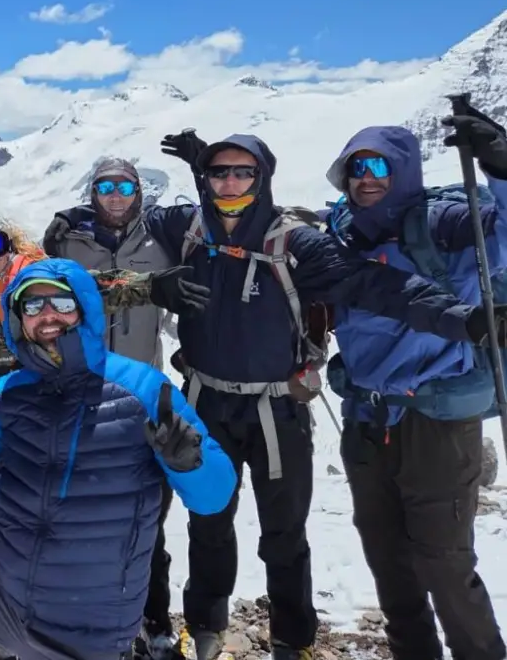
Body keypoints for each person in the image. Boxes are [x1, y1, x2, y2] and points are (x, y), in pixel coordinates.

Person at [154, 130, 504, 660]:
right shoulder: (186, 227)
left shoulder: (297, 243)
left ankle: (291, 640)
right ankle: (205, 627)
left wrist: (463, 320)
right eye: (219, 172)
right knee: (208, 523)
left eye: (244, 172)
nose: (230, 182)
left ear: (263, 178)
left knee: (285, 534)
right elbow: (115, 224)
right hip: (207, 401)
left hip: (278, 407)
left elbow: (376, 287)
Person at [0, 258, 238, 660]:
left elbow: (214, 497)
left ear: (84, 309)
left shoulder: (141, 388)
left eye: (62, 304)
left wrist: (188, 462)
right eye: (33, 307)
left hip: (88, 621)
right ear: (19, 320)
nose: (48, 315)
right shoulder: (7, 394)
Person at [321, 108, 507, 660]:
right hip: (366, 419)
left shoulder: (448, 223)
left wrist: (500, 165)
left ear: (403, 169)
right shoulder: (342, 235)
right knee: (385, 557)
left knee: (444, 562)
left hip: (436, 420)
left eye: (379, 164)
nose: (366, 177)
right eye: (355, 168)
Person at [42, 157, 178, 659]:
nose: (116, 195)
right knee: (85, 516)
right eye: (106, 186)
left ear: (138, 192)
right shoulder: (69, 241)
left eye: (124, 186)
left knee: (150, 519)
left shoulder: (160, 240)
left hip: (143, 397)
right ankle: (92, 621)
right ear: (92, 191)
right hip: (84, 399)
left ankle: (155, 620)